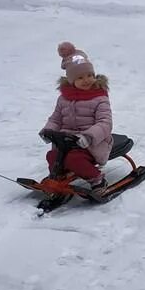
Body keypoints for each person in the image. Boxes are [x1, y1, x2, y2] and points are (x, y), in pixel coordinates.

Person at [41, 43, 113, 196]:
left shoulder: (99, 98)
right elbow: (56, 118)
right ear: (71, 80)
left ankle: (97, 179)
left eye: (89, 75)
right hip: (65, 141)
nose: (86, 80)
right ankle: (60, 174)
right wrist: (48, 130)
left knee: (74, 159)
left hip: (92, 143)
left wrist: (88, 136)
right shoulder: (64, 99)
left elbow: (105, 123)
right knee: (52, 156)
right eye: (80, 77)